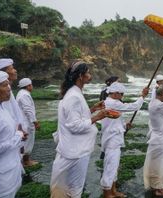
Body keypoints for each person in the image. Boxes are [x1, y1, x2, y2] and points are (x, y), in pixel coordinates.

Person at [50, 61, 115, 198]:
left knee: (70, 187)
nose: (90, 75)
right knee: (75, 188)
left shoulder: (74, 92)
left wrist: (92, 109)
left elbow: (76, 116)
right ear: (80, 76)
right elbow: (74, 126)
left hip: (75, 149)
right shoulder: (74, 96)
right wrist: (96, 117)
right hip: (76, 151)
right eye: (88, 72)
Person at [100, 82, 149, 198]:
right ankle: (107, 193)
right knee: (110, 167)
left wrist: (124, 126)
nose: (122, 96)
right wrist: (143, 96)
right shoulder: (112, 103)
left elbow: (113, 121)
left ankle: (113, 191)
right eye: (121, 94)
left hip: (113, 138)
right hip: (112, 140)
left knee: (114, 166)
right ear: (116, 94)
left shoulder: (110, 103)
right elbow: (133, 107)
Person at [0, 69, 27, 197]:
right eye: (4, 85)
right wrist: (18, 136)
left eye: (8, 84)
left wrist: (18, 135)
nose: (9, 88)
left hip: (7, 175)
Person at [0, 58, 27, 150]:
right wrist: (19, 134)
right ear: (3, 73)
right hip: (12, 134)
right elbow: (9, 114)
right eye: (11, 69)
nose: (15, 71)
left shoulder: (7, 89)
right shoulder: (2, 93)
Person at [16, 78, 40, 166]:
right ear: (28, 86)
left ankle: (25, 160)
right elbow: (28, 110)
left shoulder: (21, 93)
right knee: (27, 142)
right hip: (26, 123)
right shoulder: (24, 95)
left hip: (24, 122)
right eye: (31, 85)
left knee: (25, 142)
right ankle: (26, 161)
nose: (32, 86)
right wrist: (35, 122)